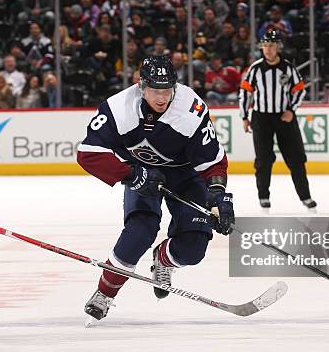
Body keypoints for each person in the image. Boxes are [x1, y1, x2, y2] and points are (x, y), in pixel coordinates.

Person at [77, 55, 234, 322]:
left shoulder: (191, 109)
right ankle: (104, 294)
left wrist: (219, 195)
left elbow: (213, 163)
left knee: (194, 248)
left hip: (185, 174)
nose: (162, 97)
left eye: (167, 90)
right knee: (139, 232)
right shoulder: (118, 109)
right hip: (141, 172)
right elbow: (88, 153)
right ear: (141, 87)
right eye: (155, 90)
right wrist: (130, 174)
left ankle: (164, 259)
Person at [238, 30, 316, 211]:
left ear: (278, 47)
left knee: (296, 158)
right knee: (263, 160)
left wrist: (291, 109)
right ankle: (263, 197)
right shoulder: (255, 68)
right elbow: (245, 91)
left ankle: (305, 197)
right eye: (265, 45)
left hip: (284, 117)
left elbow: (300, 89)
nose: (267, 49)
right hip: (261, 118)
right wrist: (244, 116)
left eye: (271, 45)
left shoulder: (288, 68)